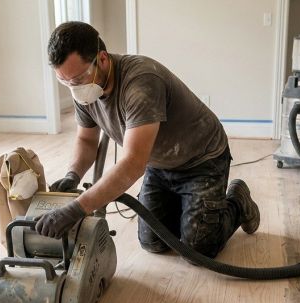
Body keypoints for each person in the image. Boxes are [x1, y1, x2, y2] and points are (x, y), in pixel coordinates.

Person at [36, 21, 259, 259]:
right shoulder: (85, 90)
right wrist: (73, 175)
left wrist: (76, 209)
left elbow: (133, 163)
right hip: (160, 163)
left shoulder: (141, 83)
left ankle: (238, 201)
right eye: (65, 82)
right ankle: (189, 207)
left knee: (198, 247)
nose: (74, 88)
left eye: (78, 79)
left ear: (102, 59)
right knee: (153, 241)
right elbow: (86, 140)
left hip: (201, 159)